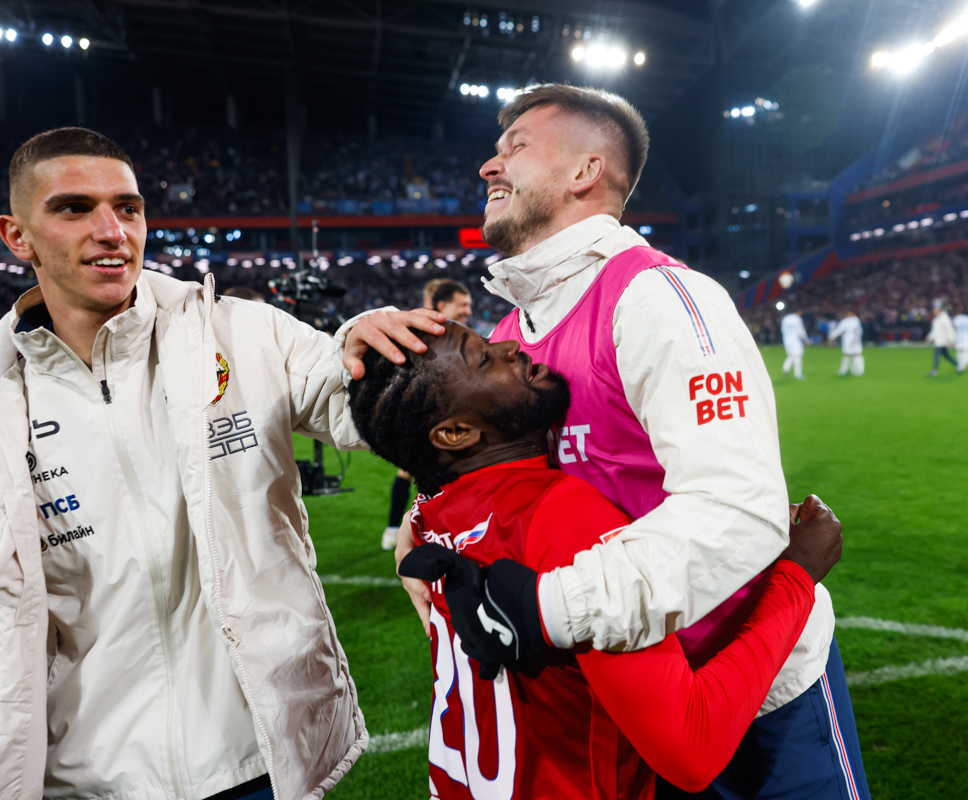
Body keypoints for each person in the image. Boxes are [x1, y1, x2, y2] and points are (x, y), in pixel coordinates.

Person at [341, 84, 869, 800]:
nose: (489, 167)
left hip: (755, 688)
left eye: (516, 147)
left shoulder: (658, 299)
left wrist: (545, 610)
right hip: (630, 693)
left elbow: (738, 511)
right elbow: (491, 481)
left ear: (585, 171)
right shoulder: (508, 335)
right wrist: (424, 516)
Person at [0, 127, 442, 800]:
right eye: (74, 208)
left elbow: (353, 398)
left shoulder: (240, 332)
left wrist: (380, 350)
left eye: (128, 208)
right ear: (16, 236)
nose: (111, 231)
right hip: (79, 778)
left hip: (256, 758)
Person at [347, 321, 843, 800]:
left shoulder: (429, 517)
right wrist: (797, 575)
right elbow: (691, 749)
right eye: (483, 359)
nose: (510, 347)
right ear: (456, 433)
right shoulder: (559, 518)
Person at [381, 279, 469, 550]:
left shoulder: (461, 334)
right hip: (424, 412)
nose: (467, 311)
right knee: (415, 471)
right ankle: (400, 529)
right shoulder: (421, 334)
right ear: (441, 303)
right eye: (462, 305)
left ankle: (412, 531)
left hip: (451, 412)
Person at [828, 312, 864, 376]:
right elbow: (860, 331)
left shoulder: (845, 321)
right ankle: (858, 370)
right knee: (857, 354)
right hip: (856, 339)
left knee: (846, 354)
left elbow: (839, 330)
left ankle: (844, 370)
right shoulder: (857, 320)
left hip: (848, 339)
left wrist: (831, 337)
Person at [927, 304, 958, 376]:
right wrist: (930, 337)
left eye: (936, 310)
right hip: (939, 341)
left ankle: (934, 371)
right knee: (947, 356)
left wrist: (952, 340)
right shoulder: (937, 320)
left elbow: (950, 330)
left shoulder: (945, 319)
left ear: (939, 311)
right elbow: (935, 331)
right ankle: (958, 366)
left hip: (943, 341)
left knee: (936, 355)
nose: (934, 312)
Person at [781, 310, 810, 379]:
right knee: (798, 356)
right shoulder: (797, 319)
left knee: (791, 355)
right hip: (795, 340)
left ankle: (786, 368)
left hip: (786, 340)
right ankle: (798, 374)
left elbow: (782, 329)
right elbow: (801, 330)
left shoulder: (785, 318)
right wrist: (806, 339)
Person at [954, 309, 968, 373]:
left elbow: (955, 328)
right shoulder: (967, 318)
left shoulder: (956, 319)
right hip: (966, 337)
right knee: (966, 352)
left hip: (959, 337)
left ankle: (960, 366)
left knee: (959, 351)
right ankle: (963, 365)